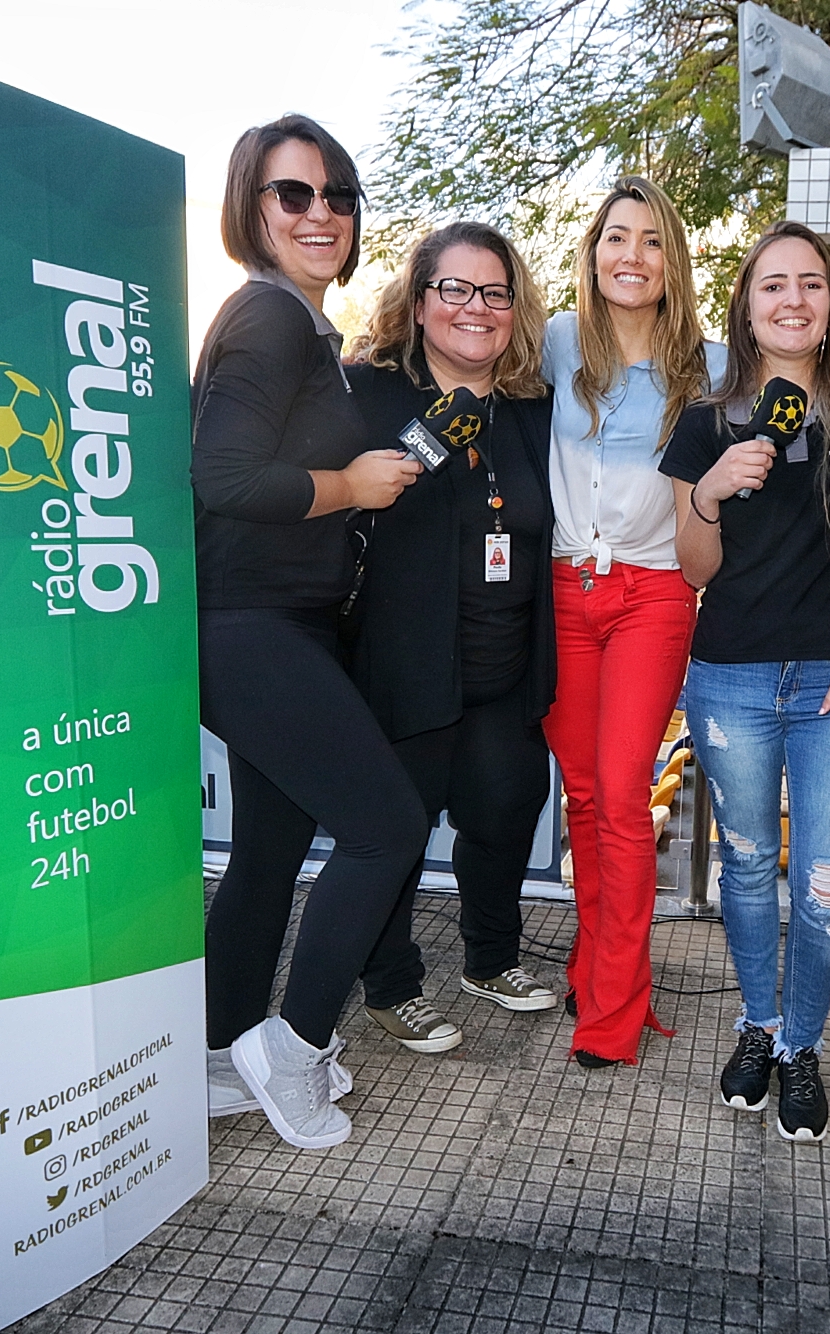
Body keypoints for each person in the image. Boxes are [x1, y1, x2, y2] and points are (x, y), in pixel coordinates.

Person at [192, 115, 426, 1150]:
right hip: (247, 628)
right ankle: (289, 1053)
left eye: (337, 194)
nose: (320, 212)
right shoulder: (269, 318)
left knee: (271, 847)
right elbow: (221, 476)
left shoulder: (300, 327)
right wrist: (348, 485)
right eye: (293, 194)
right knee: (386, 825)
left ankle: (214, 1059)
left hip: (273, 623)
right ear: (252, 208)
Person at [662, 220, 830, 1143]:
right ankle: (758, 1026)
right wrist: (711, 489)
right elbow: (695, 569)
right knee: (742, 869)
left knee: (823, 885)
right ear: (747, 304)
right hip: (729, 680)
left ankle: (802, 1043)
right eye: (773, 285)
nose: (793, 300)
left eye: (810, 283)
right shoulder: (708, 417)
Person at [342, 221, 560, 1054]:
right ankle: (391, 984)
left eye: (495, 292)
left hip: (506, 663)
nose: (477, 308)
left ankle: (491, 959)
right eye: (456, 289)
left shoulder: (532, 407)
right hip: (405, 661)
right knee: (396, 825)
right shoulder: (368, 393)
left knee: (506, 806)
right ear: (420, 299)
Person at [541, 177, 726, 1068]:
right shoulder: (555, 346)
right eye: (618, 237)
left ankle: (613, 1010)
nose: (633, 256)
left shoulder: (710, 366)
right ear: (593, 251)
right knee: (581, 793)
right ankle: (596, 963)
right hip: (562, 590)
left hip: (654, 594)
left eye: (653, 241)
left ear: (672, 260)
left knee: (620, 793)